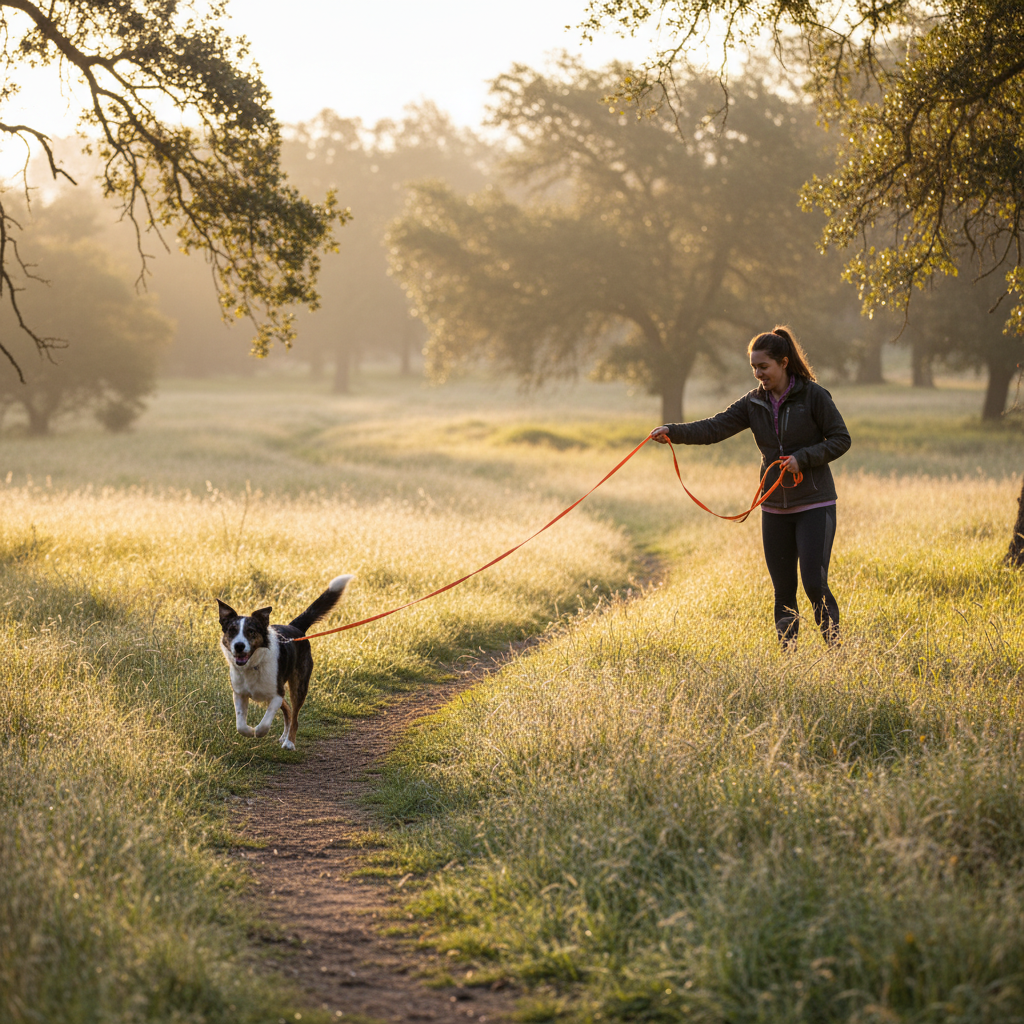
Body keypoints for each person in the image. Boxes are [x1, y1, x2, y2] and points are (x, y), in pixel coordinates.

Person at [650, 326, 851, 648]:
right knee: (783, 589)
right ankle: (789, 656)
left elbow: (841, 439)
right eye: (754, 368)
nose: (758, 374)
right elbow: (715, 427)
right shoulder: (753, 402)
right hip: (774, 508)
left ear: (783, 362)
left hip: (814, 503)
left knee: (814, 584)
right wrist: (673, 431)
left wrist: (803, 458)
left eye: (764, 367)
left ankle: (838, 651)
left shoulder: (814, 396)